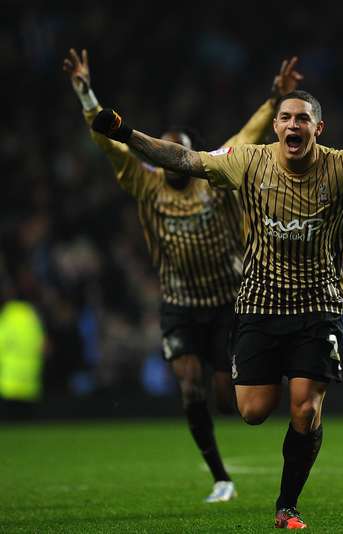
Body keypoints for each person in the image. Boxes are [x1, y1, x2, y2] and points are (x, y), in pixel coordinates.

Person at [89, 90, 343, 528]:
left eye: (302, 119)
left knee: (305, 409)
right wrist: (126, 134)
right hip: (260, 305)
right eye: (285, 118)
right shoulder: (248, 160)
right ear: (277, 126)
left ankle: (287, 505)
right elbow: (183, 160)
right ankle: (290, 402)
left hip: (318, 307)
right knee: (252, 410)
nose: (292, 125)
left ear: (317, 129)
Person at [64, 48, 303, 503]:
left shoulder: (213, 172)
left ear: (189, 156)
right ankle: (220, 477)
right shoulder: (145, 181)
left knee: (226, 395)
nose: (170, 163)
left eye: (178, 156)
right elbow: (108, 139)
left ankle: (274, 371)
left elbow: (249, 133)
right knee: (190, 387)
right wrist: (85, 93)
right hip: (179, 303)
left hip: (227, 299)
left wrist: (275, 97)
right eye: (165, 156)